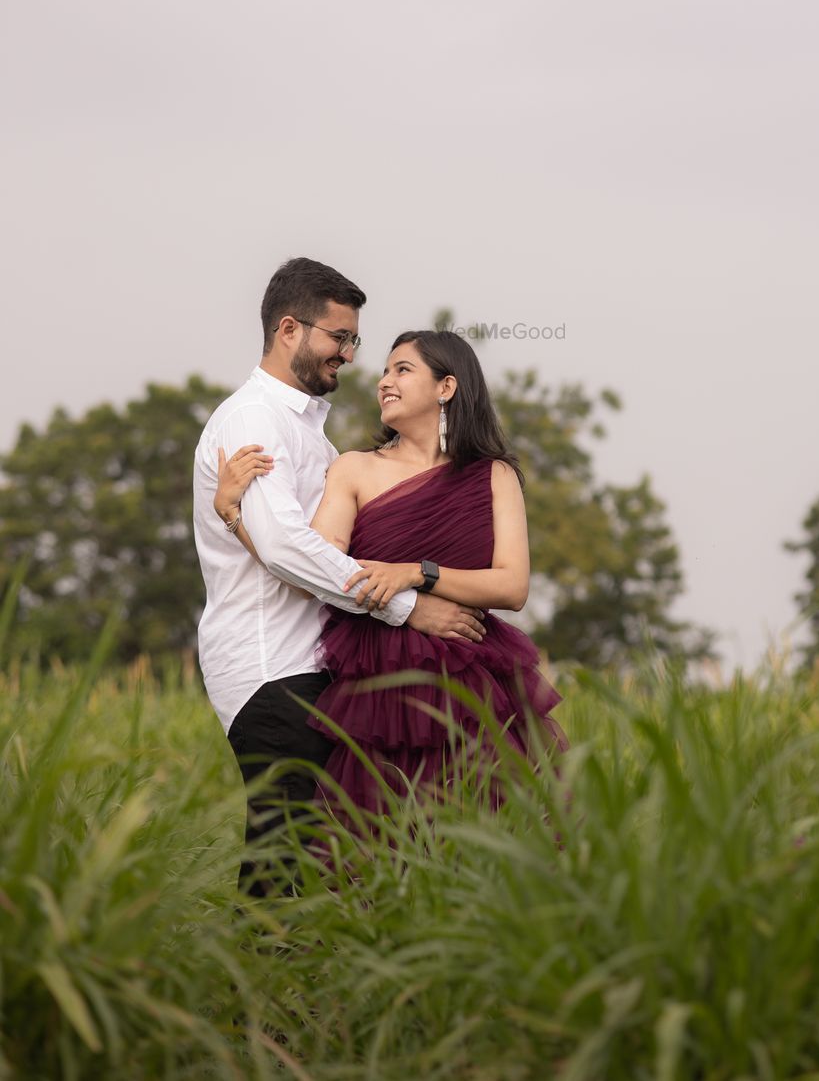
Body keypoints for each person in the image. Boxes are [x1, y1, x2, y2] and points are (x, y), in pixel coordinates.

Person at [193, 259, 487, 896]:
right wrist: (409, 608)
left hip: (319, 666)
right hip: (272, 666)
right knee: (286, 859)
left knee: (330, 862)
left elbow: (315, 547)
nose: (351, 355)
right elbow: (285, 549)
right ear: (290, 330)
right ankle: (250, 992)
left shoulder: (316, 442)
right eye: (340, 338)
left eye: (355, 341)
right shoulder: (253, 422)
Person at [214, 328, 565, 829]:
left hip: (472, 685)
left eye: (402, 370)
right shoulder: (353, 469)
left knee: (484, 835)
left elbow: (511, 587)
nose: (384, 381)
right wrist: (234, 516)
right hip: (378, 688)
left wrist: (417, 574)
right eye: (384, 371)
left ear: (446, 387)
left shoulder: (494, 475)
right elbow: (310, 571)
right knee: (376, 842)